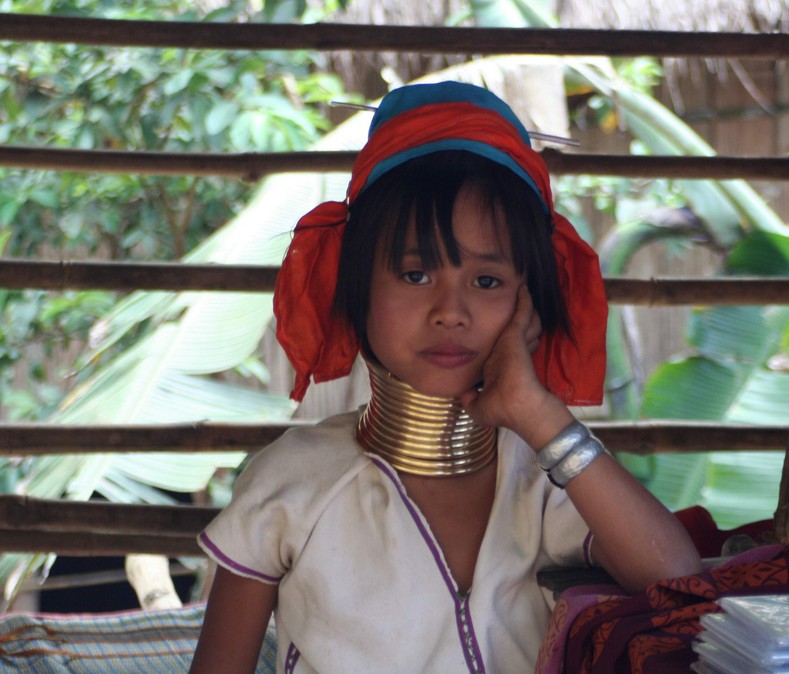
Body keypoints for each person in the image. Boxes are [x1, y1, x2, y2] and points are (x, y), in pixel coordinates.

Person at [189, 81, 702, 674]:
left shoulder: (545, 478)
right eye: (414, 273)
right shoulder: (292, 483)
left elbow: (675, 578)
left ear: (527, 303)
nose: (450, 310)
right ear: (355, 290)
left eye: (487, 282)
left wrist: (537, 415)